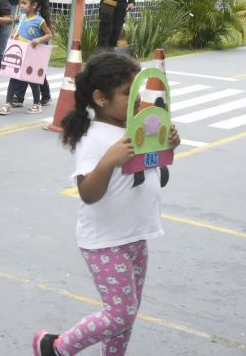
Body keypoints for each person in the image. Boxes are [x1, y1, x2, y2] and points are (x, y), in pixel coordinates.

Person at [32, 52, 180, 356]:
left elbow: (155, 170)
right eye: (128, 93)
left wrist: (166, 145)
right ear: (101, 98)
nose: (138, 100)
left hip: (135, 235)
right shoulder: (95, 138)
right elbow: (87, 192)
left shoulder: (134, 128)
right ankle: (56, 347)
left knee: (127, 313)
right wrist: (109, 161)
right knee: (120, 313)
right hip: (105, 241)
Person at [0, 0, 53, 116]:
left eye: (24, 3)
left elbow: (49, 34)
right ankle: (7, 103)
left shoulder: (39, 20)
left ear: (34, 5)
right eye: (21, 3)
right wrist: (14, 37)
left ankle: (36, 104)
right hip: (20, 52)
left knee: (33, 79)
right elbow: (18, 31)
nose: (21, 6)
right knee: (14, 77)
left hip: (32, 54)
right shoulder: (22, 18)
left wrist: (38, 40)